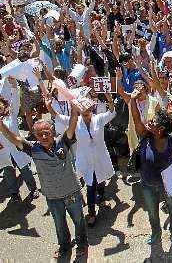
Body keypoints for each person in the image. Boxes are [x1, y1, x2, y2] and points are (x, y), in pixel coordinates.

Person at [0, 106, 88, 259]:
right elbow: (14, 139)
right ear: (35, 136)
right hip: (52, 197)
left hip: (71, 192)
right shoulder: (33, 148)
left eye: (46, 133)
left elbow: (72, 124)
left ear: (53, 132)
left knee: (79, 220)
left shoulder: (63, 141)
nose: (44, 137)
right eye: (39, 135)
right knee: (60, 225)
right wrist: (1, 126)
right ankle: (64, 247)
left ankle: (82, 244)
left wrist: (74, 109)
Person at [47, 93, 116, 227]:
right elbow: (58, 117)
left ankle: (101, 198)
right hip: (86, 159)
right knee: (90, 186)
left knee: (100, 180)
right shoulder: (75, 121)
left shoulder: (99, 119)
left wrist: (109, 99)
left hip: (99, 157)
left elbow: (112, 112)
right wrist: (49, 107)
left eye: (88, 109)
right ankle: (91, 213)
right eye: (82, 109)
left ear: (92, 109)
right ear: (78, 110)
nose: (85, 112)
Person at [130, 94, 172, 245]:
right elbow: (136, 118)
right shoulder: (145, 136)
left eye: (154, 122)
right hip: (148, 184)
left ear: (160, 130)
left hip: (167, 185)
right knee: (152, 212)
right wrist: (133, 100)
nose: (150, 122)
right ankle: (156, 232)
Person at [0, 78, 38, 203]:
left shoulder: (11, 114)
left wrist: (15, 87)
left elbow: (15, 100)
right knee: (8, 171)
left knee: (24, 168)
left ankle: (33, 189)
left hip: (17, 147)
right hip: (3, 150)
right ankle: (14, 193)